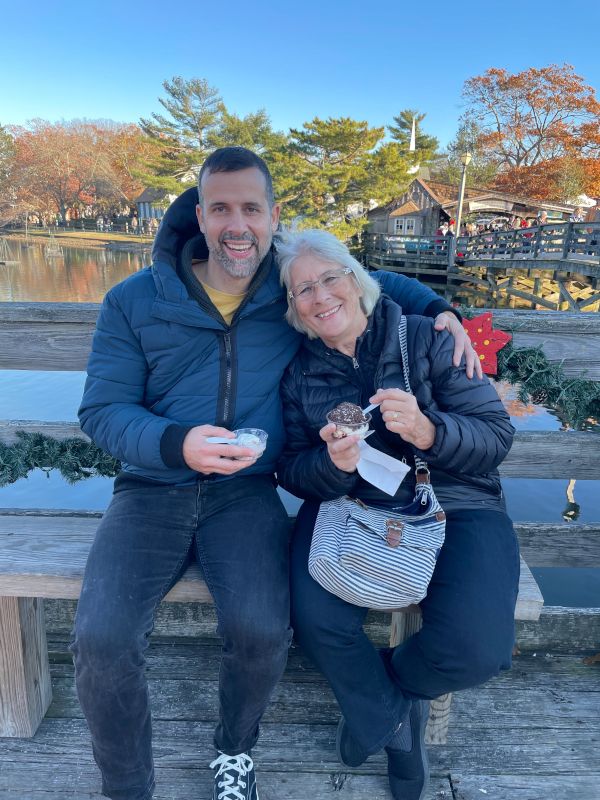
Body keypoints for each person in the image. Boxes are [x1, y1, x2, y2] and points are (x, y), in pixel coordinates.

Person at [71, 146, 480, 800]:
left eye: (252, 209)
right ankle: (127, 785)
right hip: (151, 487)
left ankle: (235, 751)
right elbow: (102, 409)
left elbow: (370, 283)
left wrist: (440, 308)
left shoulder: (289, 288)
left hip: (247, 493)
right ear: (200, 216)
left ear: (273, 216)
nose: (238, 226)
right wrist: (176, 443)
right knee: (101, 639)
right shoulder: (134, 300)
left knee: (263, 629)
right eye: (222, 209)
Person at [275, 228, 519, 800]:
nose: (320, 296)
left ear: (357, 281)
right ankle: (395, 729)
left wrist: (430, 430)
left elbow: (496, 436)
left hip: (458, 500)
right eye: (302, 289)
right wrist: (332, 465)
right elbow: (290, 467)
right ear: (293, 309)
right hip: (350, 505)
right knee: (313, 618)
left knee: (477, 651)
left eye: (330, 278)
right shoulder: (299, 373)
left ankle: (386, 692)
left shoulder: (430, 339)